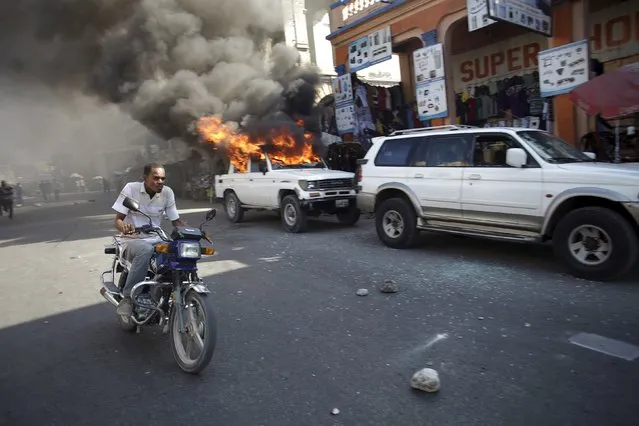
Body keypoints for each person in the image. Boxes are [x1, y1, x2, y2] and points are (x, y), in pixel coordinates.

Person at [111, 163, 186, 317]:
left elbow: (176, 221)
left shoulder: (167, 193)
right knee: (145, 250)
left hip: (156, 238)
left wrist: (195, 232)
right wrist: (124, 227)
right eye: (156, 178)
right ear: (145, 177)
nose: (160, 182)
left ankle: (172, 290)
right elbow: (118, 220)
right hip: (131, 240)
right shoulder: (131, 189)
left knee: (180, 250)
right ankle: (129, 298)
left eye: (163, 178)